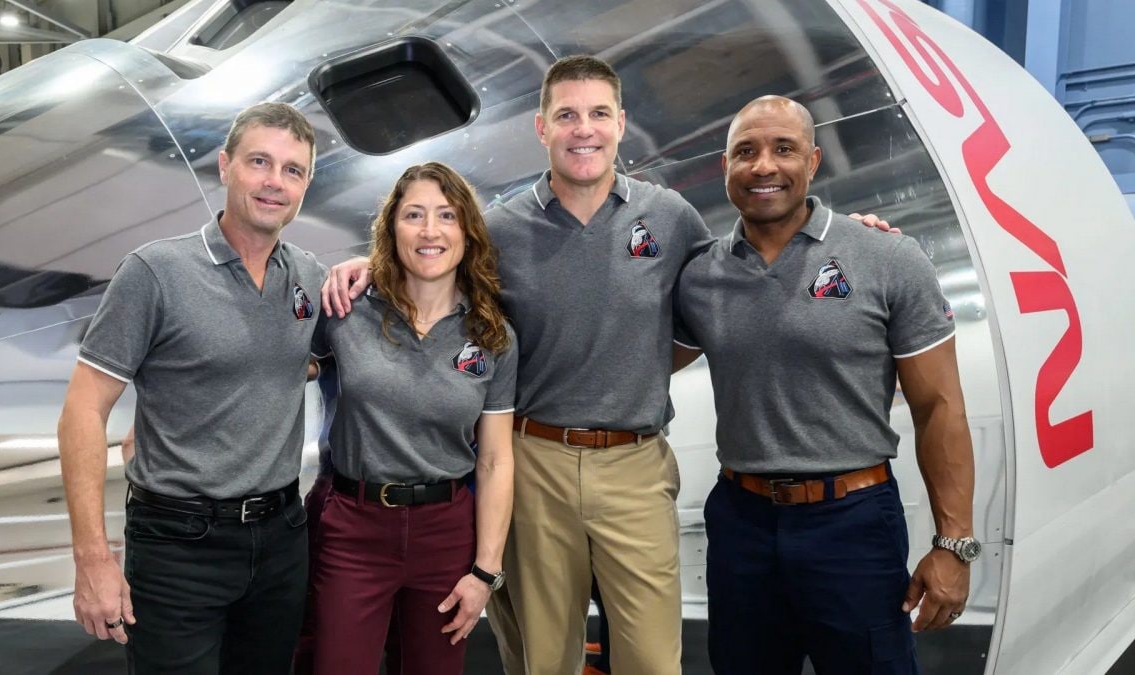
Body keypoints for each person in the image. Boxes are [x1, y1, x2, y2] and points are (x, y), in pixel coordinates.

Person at [323, 56, 895, 675]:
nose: (583, 129)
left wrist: (848, 239)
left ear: (620, 123)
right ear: (541, 128)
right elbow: (431, 265)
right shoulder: (499, 230)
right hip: (534, 461)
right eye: (566, 115)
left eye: (598, 114)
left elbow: (738, 276)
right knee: (544, 660)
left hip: (635, 466)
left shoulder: (671, 218)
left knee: (651, 661)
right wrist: (362, 266)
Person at [674, 95, 977, 675]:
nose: (764, 165)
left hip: (853, 524)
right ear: (726, 168)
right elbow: (637, 358)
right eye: (747, 152)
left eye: (783, 149)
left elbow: (939, 407)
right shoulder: (701, 275)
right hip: (741, 523)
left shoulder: (886, 256)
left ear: (813, 163)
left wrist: (953, 545)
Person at [57, 102, 326, 674]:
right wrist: (92, 558)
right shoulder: (155, 272)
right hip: (178, 544)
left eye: (293, 170)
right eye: (260, 162)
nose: (275, 182)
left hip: (281, 537)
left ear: (305, 185)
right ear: (225, 166)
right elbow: (83, 409)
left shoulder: (308, 276)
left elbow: (302, 360)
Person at [308, 162, 517, 675]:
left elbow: (494, 461)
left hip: (444, 533)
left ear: (466, 231)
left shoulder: (493, 336)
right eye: (414, 215)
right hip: (352, 527)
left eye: (446, 215)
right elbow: (275, 374)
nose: (430, 231)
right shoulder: (344, 311)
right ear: (391, 228)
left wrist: (484, 572)